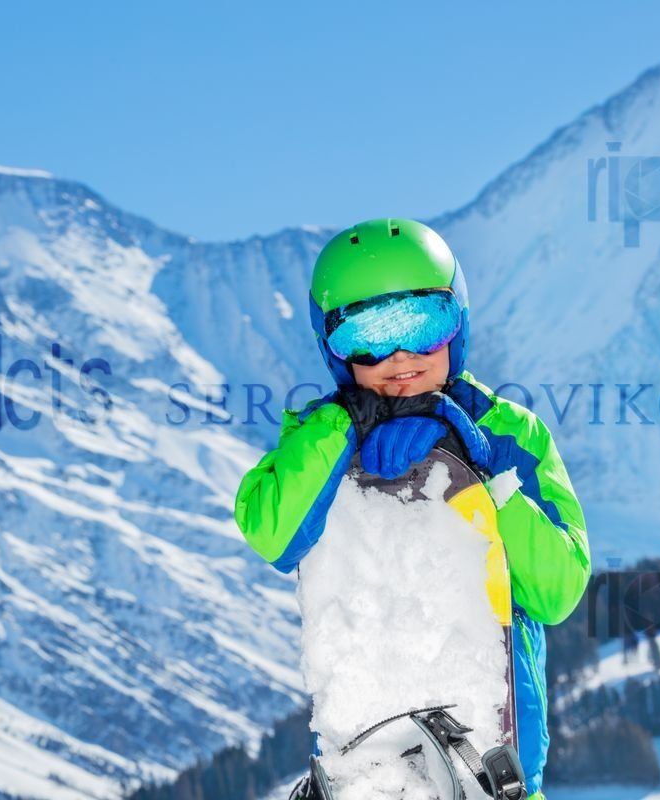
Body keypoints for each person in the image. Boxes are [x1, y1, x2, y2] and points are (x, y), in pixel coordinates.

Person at [234, 218, 591, 799]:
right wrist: (343, 424)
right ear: (333, 350)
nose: (400, 356)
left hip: (493, 760)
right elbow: (274, 532)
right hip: (367, 767)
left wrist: (479, 470)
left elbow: (557, 591)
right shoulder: (316, 437)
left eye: (422, 325)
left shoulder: (508, 435)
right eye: (368, 335)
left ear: (459, 325)